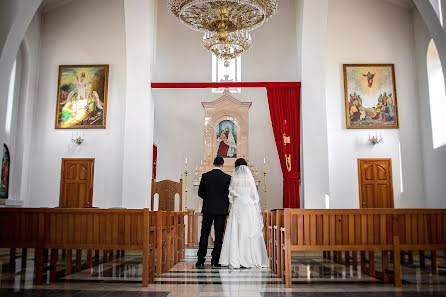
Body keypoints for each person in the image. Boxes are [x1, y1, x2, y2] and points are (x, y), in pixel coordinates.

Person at [219, 158, 269, 268]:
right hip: (248, 207)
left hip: (238, 206)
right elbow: (255, 197)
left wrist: (229, 208)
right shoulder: (249, 178)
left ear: (236, 167)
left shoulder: (235, 178)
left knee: (236, 231)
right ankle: (251, 257)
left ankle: (235, 258)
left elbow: (231, 197)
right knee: (249, 230)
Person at [196, 156, 231, 268]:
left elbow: (200, 193)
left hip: (208, 209)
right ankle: (216, 260)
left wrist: (208, 199)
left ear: (213, 163)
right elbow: (228, 195)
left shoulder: (205, 176)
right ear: (222, 165)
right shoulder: (227, 178)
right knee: (218, 235)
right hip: (221, 210)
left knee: (204, 234)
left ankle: (200, 259)